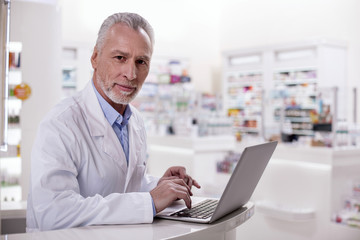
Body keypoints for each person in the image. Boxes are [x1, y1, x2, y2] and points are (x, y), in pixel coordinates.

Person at [26, 12, 200, 232]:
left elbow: (121, 187)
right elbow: (53, 213)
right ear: (95, 58)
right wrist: (150, 202)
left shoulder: (134, 120)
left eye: (141, 61)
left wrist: (159, 186)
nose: (131, 73)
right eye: (120, 58)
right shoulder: (61, 124)